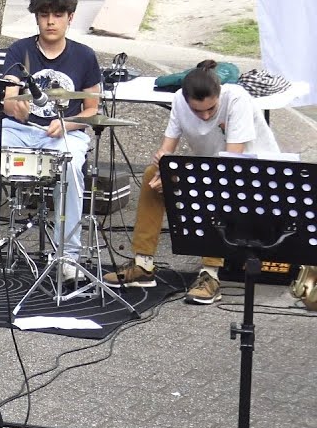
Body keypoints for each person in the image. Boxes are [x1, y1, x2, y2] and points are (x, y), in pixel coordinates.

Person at [103, 60, 280, 304]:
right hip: (208, 168)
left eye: (211, 109)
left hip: (253, 172)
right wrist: (163, 169)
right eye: (198, 111)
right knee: (151, 174)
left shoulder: (236, 98)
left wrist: (186, 179)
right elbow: (167, 149)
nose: (205, 116)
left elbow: (231, 162)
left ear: (219, 94)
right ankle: (143, 264)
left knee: (216, 187)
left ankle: (210, 274)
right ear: (186, 100)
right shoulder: (178, 100)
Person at [0, 0, 101, 282]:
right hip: (21, 130)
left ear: (70, 17)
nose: (50, 22)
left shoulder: (85, 56)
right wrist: (14, 108)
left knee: (72, 167)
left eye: (57, 15)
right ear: (36, 17)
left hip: (66, 134)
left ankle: (68, 256)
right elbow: (9, 99)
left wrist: (68, 123)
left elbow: (92, 110)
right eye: (44, 15)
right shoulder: (19, 50)